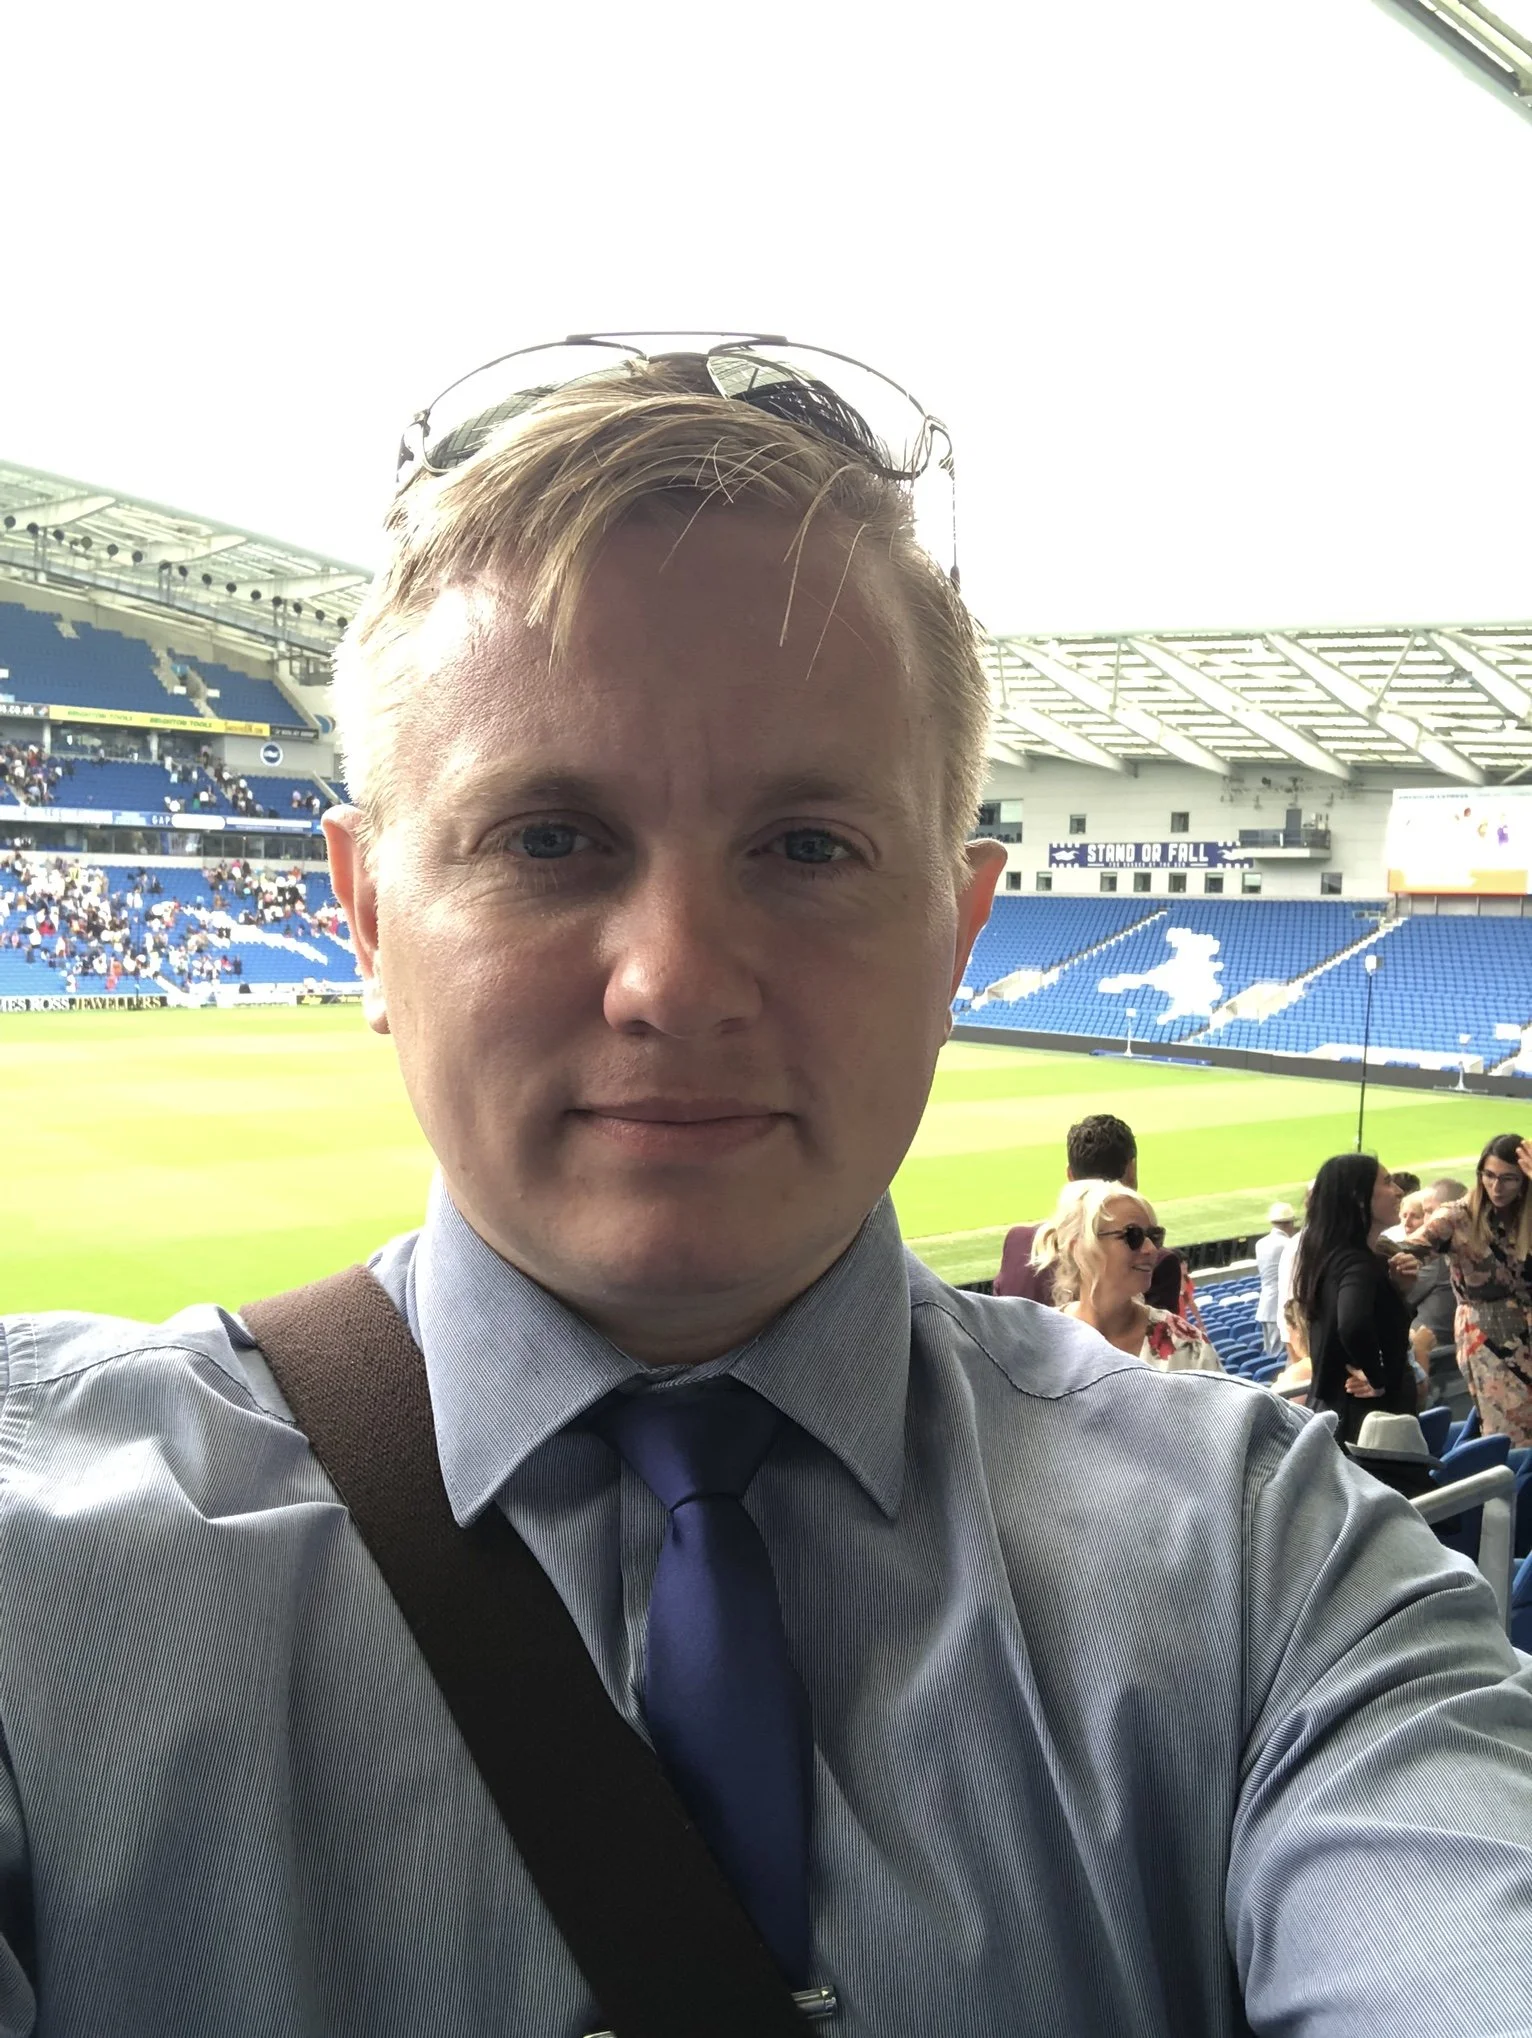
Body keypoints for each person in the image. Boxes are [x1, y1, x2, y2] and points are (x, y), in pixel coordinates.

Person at [0, 342, 1529, 2036]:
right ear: (365, 916)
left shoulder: (1273, 1572)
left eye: (806, 845)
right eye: (546, 838)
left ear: (956, 931)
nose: (676, 977)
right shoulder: (39, 1566)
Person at [994, 1111, 1200, 1323]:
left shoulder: (1017, 1243)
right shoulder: (1156, 1264)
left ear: (1070, 1176)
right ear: (1132, 1171)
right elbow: (1157, 1350)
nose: (1148, 1247)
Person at [1402, 1137, 1532, 1446]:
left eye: (1509, 1178)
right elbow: (1407, 1250)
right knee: (1510, 1432)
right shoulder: (1456, 1216)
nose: (1497, 1187)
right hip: (1487, 1336)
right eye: (1489, 1175)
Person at [1029, 1178, 1221, 1372]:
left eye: (1154, 1236)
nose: (1151, 1249)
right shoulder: (1036, 1341)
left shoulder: (1189, 1349)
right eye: (1133, 1235)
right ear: (1079, 1249)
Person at [1297, 1154, 1417, 1444]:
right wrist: (1378, 1377)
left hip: (1350, 1418)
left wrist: (1398, 1289)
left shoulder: (1330, 1256)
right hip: (1369, 1425)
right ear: (1358, 1197)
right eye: (1387, 1182)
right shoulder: (1357, 1263)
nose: (1399, 1191)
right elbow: (1352, 1324)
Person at [1254, 1200, 1296, 1355]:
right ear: (1289, 1223)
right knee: (1280, 1355)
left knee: (1271, 1352)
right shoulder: (1288, 1243)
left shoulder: (1260, 1244)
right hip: (1280, 1305)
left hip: (1266, 1304)